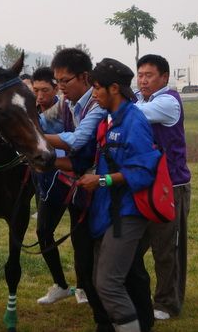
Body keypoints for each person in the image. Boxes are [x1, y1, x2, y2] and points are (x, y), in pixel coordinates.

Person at [78, 58, 160, 332]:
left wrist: (100, 180)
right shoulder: (111, 119)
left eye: (97, 88)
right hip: (108, 212)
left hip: (126, 213)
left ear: (114, 88)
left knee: (108, 283)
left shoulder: (134, 121)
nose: (94, 94)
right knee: (103, 280)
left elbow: (143, 169)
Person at [41, 48, 110, 330]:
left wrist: (35, 137)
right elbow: (44, 121)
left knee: (106, 264)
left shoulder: (97, 105)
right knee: (85, 260)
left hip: (102, 191)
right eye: (57, 82)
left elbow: (79, 140)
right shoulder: (69, 104)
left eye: (64, 81)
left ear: (85, 77)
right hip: (83, 190)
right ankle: (102, 318)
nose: (60, 88)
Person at [134, 54, 191, 321]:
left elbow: (131, 115)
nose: (142, 80)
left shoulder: (167, 102)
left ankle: (168, 302)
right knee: (137, 243)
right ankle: (142, 295)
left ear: (164, 78)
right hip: (146, 184)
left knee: (167, 248)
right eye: (140, 75)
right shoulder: (142, 98)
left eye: (149, 75)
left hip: (172, 186)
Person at [31, 68, 79, 304]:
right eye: (35, 90)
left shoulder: (62, 109)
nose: (39, 96)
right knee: (43, 232)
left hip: (68, 177)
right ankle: (61, 284)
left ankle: (83, 287)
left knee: (80, 235)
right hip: (46, 179)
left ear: (56, 88)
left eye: (45, 90)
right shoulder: (35, 110)